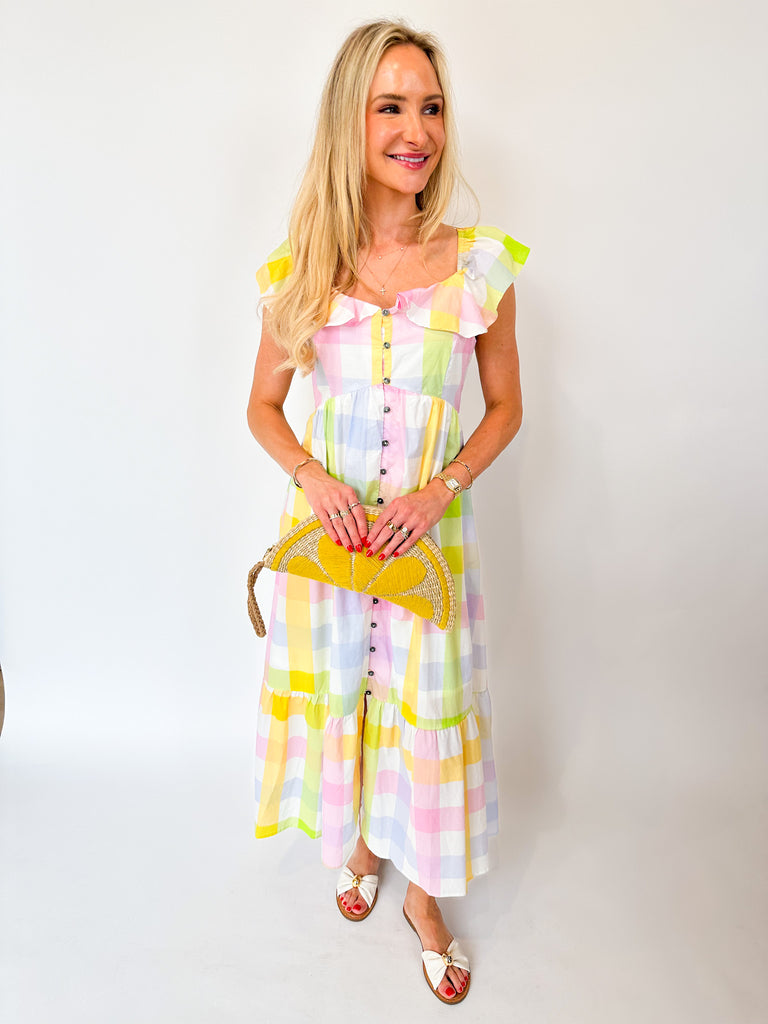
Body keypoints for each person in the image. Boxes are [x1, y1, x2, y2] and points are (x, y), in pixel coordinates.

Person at [247, 19, 529, 1004]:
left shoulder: (479, 266)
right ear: (350, 121)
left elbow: (506, 407)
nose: (419, 131)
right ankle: (362, 843)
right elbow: (262, 407)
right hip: (331, 553)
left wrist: (437, 488)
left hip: (425, 548)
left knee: (423, 707)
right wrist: (311, 478)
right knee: (350, 692)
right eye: (393, 107)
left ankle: (424, 901)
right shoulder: (303, 268)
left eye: (433, 107)